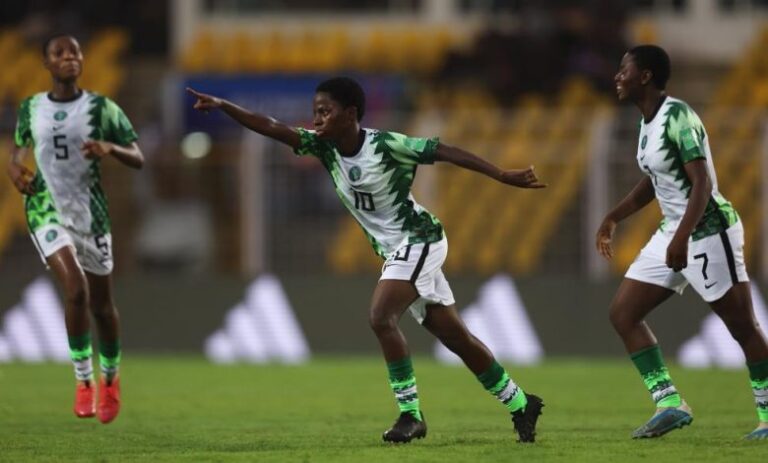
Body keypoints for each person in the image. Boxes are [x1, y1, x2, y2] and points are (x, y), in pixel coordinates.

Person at [187, 77, 546, 443]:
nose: (317, 119)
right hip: (397, 251)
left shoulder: (386, 145)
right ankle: (521, 403)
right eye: (315, 112)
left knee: (380, 317)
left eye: (325, 111)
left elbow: (443, 151)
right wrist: (225, 106)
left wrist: (501, 174)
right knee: (455, 337)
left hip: (420, 239)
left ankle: (411, 415)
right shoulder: (324, 148)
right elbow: (272, 127)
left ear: (350, 113)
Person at [596, 45, 768, 440]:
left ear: (646, 76)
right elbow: (654, 181)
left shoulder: (678, 116)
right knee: (623, 313)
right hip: (674, 231)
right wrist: (614, 216)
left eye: (624, 69)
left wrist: (683, 237)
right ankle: (669, 403)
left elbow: (701, 182)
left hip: (708, 231)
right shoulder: (647, 123)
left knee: (742, 327)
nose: (617, 76)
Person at [7, 34, 144, 424]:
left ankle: (110, 379)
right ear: (47, 64)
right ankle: (84, 380)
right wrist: (15, 170)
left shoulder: (101, 108)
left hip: (90, 216)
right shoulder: (31, 108)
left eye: (75, 52)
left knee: (102, 307)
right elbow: (18, 153)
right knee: (76, 289)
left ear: (82, 61)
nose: (69, 57)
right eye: (60, 53)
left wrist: (111, 148)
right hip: (45, 210)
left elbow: (138, 157)